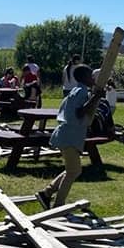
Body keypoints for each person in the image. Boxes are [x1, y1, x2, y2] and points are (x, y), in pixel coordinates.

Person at [35, 64, 104, 209]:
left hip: (68, 135)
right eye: (90, 75)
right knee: (73, 172)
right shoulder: (81, 92)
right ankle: (58, 205)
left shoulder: (78, 90)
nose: (93, 78)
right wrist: (95, 98)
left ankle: (47, 193)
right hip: (69, 136)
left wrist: (94, 98)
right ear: (84, 78)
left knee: (73, 170)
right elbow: (79, 113)